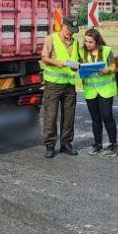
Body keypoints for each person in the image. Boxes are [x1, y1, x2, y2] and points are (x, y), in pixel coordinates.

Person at [40, 15, 80, 158]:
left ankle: (66, 144)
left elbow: (76, 60)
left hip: (69, 85)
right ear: (62, 25)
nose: (70, 32)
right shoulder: (51, 39)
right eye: (69, 28)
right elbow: (44, 58)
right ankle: (50, 146)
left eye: (73, 30)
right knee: (51, 116)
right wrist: (58, 63)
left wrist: (77, 67)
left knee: (69, 117)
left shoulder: (75, 42)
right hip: (53, 85)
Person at [80, 28, 118, 156]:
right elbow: (79, 67)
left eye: (90, 42)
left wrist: (107, 70)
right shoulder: (82, 53)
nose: (87, 44)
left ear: (97, 42)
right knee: (95, 118)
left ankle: (113, 144)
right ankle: (98, 144)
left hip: (105, 89)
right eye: (86, 41)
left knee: (107, 116)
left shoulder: (107, 51)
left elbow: (113, 66)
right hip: (90, 90)